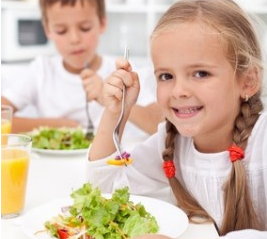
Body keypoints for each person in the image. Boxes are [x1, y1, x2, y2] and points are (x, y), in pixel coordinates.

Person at [86, 0, 267, 238]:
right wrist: (116, 114)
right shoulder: (171, 142)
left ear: (248, 81)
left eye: (201, 73)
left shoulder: (262, 142)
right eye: (166, 75)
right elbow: (106, 193)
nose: (178, 90)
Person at [1, 0, 163, 145]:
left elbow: (162, 125)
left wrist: (114, 101)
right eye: (61, 31)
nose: (74, 39)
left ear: (102, 23)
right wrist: (58, 126)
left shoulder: (122, 70)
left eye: (85, 28)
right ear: (47, 30)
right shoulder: (41, 70)